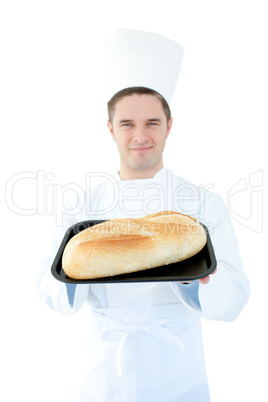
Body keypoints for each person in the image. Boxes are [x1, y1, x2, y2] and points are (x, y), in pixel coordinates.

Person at [37, 29, 250, 401]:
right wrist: (75, 274)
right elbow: (50, 291)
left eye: (152, 122)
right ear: (110, 129)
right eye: (127, 124)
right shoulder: (81, 208)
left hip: (178, 373)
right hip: (103, 374)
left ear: (169, 126)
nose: (140, 136)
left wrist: (197, 277)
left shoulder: (201, 205)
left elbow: (234, 299)